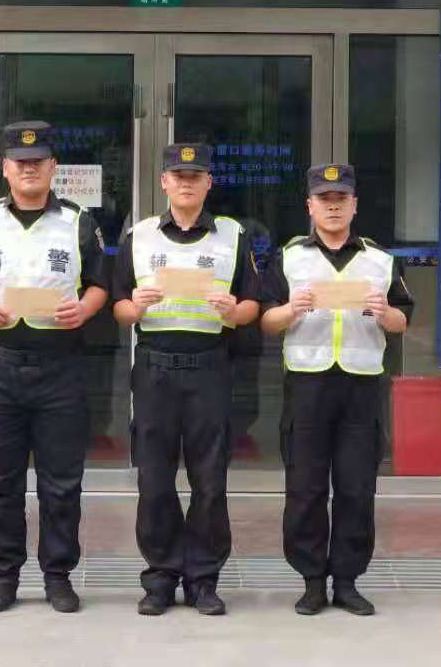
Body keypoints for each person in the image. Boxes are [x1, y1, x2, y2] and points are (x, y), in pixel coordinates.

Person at [0, 121, 109, 614]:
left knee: (62, 483)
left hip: (61, 368)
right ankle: (4, 575)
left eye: (38, 162)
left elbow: (101, 283)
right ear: (6, 169)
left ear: (54, 167)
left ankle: (58, 575)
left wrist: (84, 309)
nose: (29, 169)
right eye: (20, 162)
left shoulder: (78, 222)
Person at [112, 143, 259, 617]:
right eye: (178, 175)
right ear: (164, 182)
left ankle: (203, 579)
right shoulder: (139, 236)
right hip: (155, 367)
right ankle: (160, 576)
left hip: (208, 367)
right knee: (154, 479)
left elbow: (252, 303)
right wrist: (135, 307)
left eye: (195, 176)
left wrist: (234, 312)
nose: (187, 183)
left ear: (209, 182)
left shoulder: (232, 236)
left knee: (209, 481)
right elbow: (118, 305)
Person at [259, 163, 412, 617]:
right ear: (310, 206)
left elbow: (403, 320)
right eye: (324, 200)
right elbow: (266, 321)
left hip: (361, 386)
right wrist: (291, 309)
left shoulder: (379, 259)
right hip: (308, 383)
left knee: (356, 486)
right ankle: (311, 580)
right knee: (305, 487)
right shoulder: (289, 257)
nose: (332, 207)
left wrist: (385, 314)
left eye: (340, 199)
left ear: (354, 205)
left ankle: (346, 580)